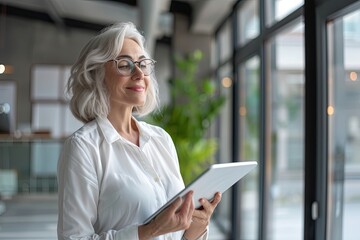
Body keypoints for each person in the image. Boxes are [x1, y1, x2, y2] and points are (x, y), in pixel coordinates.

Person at [57, 22, 222, 240]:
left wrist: (197, 226)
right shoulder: (83, 148)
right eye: (125, 64)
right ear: (97, 74)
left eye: (142, 64)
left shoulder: (161, 139)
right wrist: (150, 230)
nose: (138, 74)